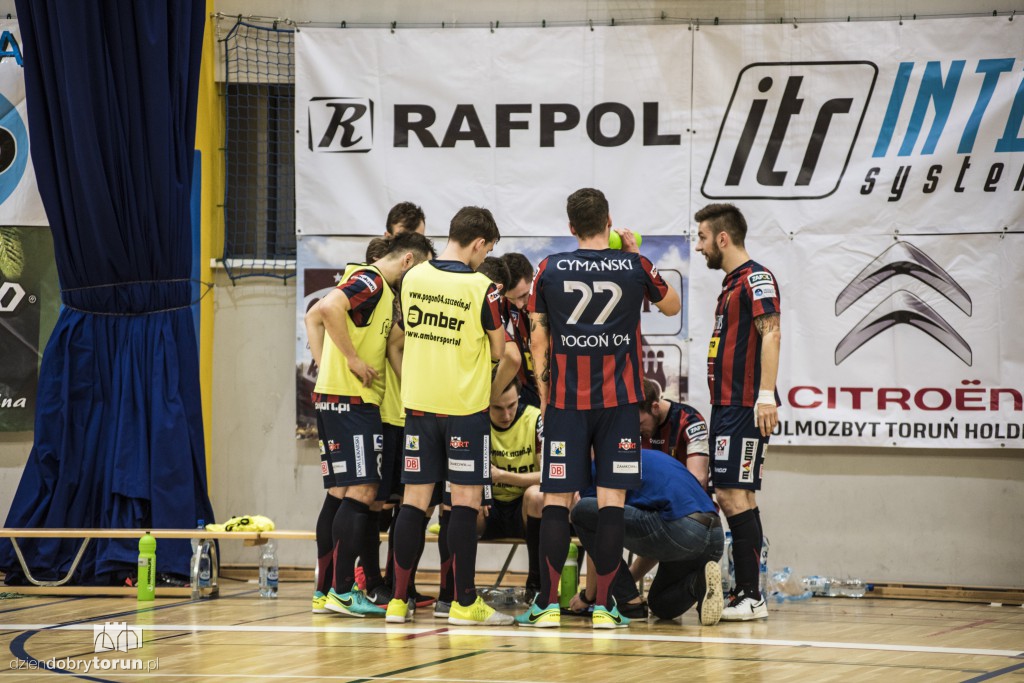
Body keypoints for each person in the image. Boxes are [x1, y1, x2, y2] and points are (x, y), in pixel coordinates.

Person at [516, 188, 680, 629]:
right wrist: (633, 253)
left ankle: (547, 606)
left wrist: (546, 400)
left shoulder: (548, 269)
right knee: (611, 501)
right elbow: (672, 305)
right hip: (620, 403)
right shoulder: (635, 265)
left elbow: (537, 340)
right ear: (609, 221)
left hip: (567, 404)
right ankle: (606, 608)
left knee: (555, 499)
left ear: (570, 226)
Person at [386, 206, 515, 626]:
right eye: (486, 250)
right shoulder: (484, 288)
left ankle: (397, 601)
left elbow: (406, 334)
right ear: (478, 243)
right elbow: (500, 351)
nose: (484, 258)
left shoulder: (413, 277)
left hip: (419, 406)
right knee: (465, 502)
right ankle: (462, 602)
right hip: (464, 410)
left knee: (414, 502)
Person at [305, 231, 435, 617]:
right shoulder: (372, 280)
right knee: (362, 492)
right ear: (408, 260)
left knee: (342, 493)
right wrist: (350, 360)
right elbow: (327, 309)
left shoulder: (381, 291)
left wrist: (328, 366)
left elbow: (318, 318)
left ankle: (326, 590)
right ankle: (343, 592)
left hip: (337, 398)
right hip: (353, 401)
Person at [694, 203, 781, 622]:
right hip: (727, 404)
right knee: (739, 495)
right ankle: (748, 593)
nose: (699, 246)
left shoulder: (756, 279)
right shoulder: (731, 283)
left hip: (743, 404)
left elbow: (772, 333)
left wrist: (766, 395)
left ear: (722, 238)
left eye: (703, 238)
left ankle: (750, 595)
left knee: (732, 494)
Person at [569, 449, 724, 625]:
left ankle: (629, 603)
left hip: (681, 531)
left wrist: (589, 596)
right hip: (714, 536)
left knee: (581, 512)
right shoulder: (648, 457)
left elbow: (599, 543)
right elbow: (653, 541)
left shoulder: (595, 469)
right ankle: (698, 583)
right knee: (660, 605)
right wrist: (626, 583)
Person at [434, 376, 544, 617]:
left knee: (538, 496)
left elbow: (547, 476)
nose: (506, 414)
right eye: (498, 408)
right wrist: (482, 491)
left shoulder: (535, 419)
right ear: (486, 404)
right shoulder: (475, 422)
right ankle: (455, 592)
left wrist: (502, 476)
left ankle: (536, 587)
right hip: (488, 507)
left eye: (511, 406)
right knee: (453, 504)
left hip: (522, 509)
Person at [638, 378, 710, 488]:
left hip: (685, 501)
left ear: (655, 407)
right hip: (647, 501)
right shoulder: (631, 427)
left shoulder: (690, 421)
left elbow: (698, 480)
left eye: (640, 424)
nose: (637, 430)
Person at [500, 253, 540, 408]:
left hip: (557, 390)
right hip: (527, 388)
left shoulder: (554, 298)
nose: (518, 304)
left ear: (533, 277)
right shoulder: (504, 302)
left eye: (524, 295)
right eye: (511, 299)